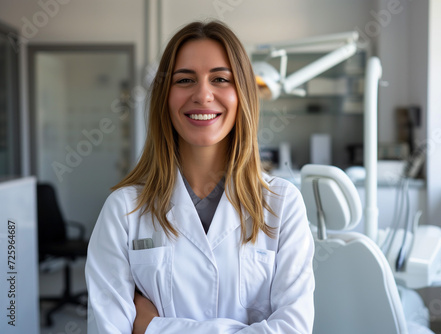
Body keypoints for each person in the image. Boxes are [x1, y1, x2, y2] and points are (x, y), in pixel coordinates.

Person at [85, 20, 315, 334]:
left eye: (220, 79)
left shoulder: (283, 203)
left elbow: (294, 329)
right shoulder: (123, 210)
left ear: (242, 94)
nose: (203, 95)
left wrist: (152, 328)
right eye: (185, 80)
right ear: (165, 97)